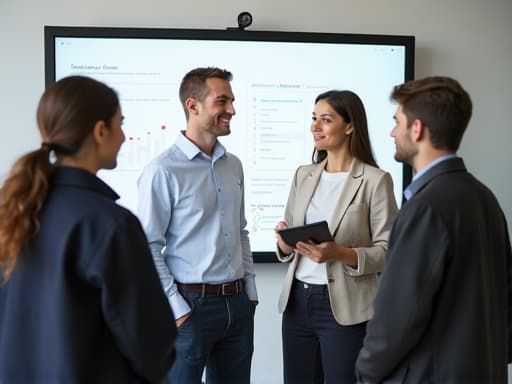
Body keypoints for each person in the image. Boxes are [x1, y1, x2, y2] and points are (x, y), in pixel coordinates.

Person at [0, 76, 177, 383]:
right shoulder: (110, 224)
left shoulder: (13, 212)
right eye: (120, 124)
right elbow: (151, 344)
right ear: (99, 131)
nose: (123, 136)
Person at [355, 76, 512, 383]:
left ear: (417, 129)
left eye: (397, 121)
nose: (392, 132)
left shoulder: (425, 207)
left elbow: (397, 317)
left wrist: (365, 373)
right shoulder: (485, 198)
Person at [137, 67, 258, 384]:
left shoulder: (234, 166)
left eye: (231, 101)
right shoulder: (162, 170)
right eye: (222, 101)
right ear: (193, 106)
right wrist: (178, 309)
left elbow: (241, 231)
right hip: (190, 307)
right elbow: (148, 245)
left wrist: (251, 293)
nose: (232, 110)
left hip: (238, 306)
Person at [274, 90, 398, 384]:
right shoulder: (302, 175)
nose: (315, 127)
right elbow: (289, 241)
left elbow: (389, 250)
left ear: (350, 126)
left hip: (346, 308)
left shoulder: (375, 180)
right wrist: (283, 242)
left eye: (326, 120)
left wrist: (339, 253)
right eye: (314, 119)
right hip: (297, 304)